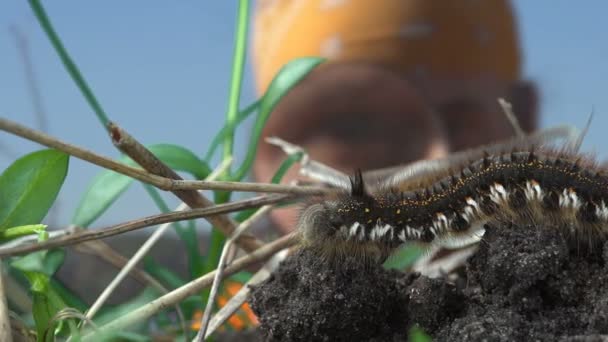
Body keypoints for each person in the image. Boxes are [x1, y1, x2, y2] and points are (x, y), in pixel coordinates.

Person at [251, 0, 538, 233]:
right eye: (357, 129)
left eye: (463, 129)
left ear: (524, 123)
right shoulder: (221, 303)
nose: (431, 169)